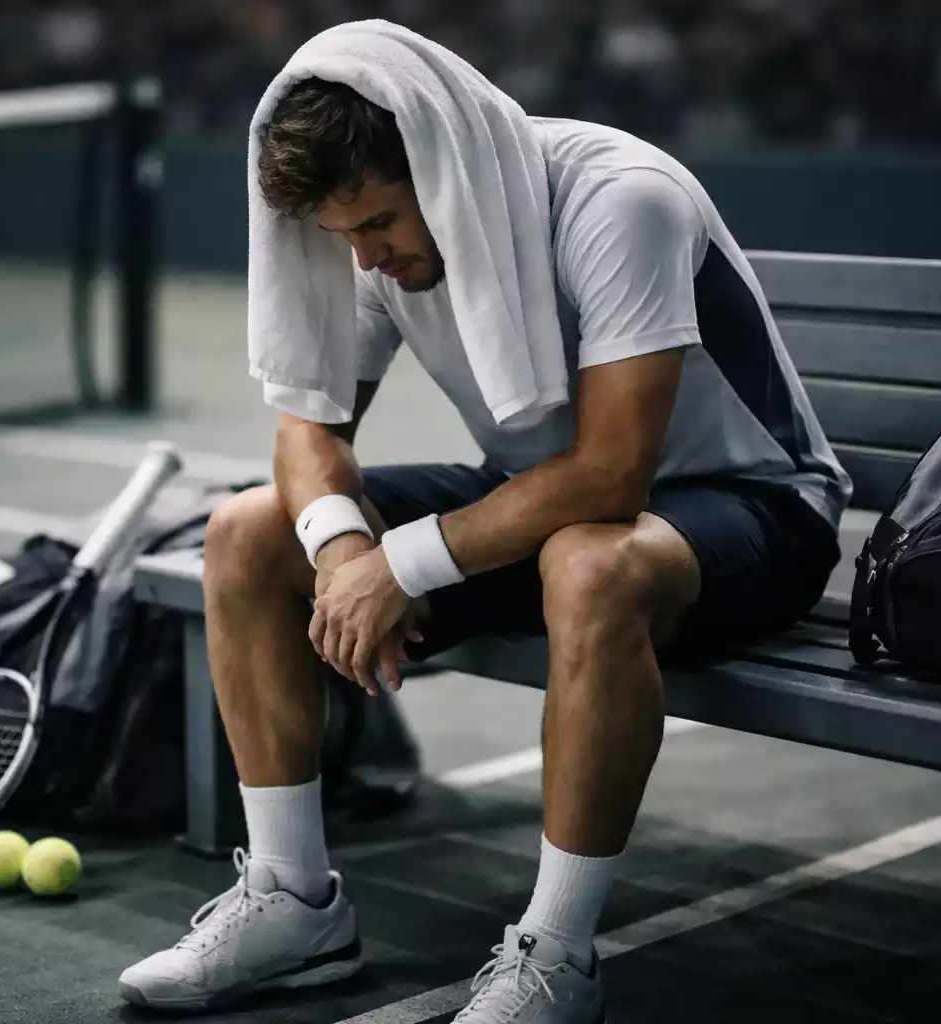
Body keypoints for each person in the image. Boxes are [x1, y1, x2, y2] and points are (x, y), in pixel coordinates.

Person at [118, 22, 850, 1024]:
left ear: (443, 168)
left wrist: (401, 565)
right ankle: (294, 902)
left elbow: (611, 474)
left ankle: (558, 958)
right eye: (344, 236)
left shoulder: (620, 198)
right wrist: (345, 555)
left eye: (379, 223)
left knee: (591, 564)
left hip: (757, 505)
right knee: (249, 532)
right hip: (548, 506)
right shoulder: (376, 243)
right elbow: (306, 434)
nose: (366, 256)